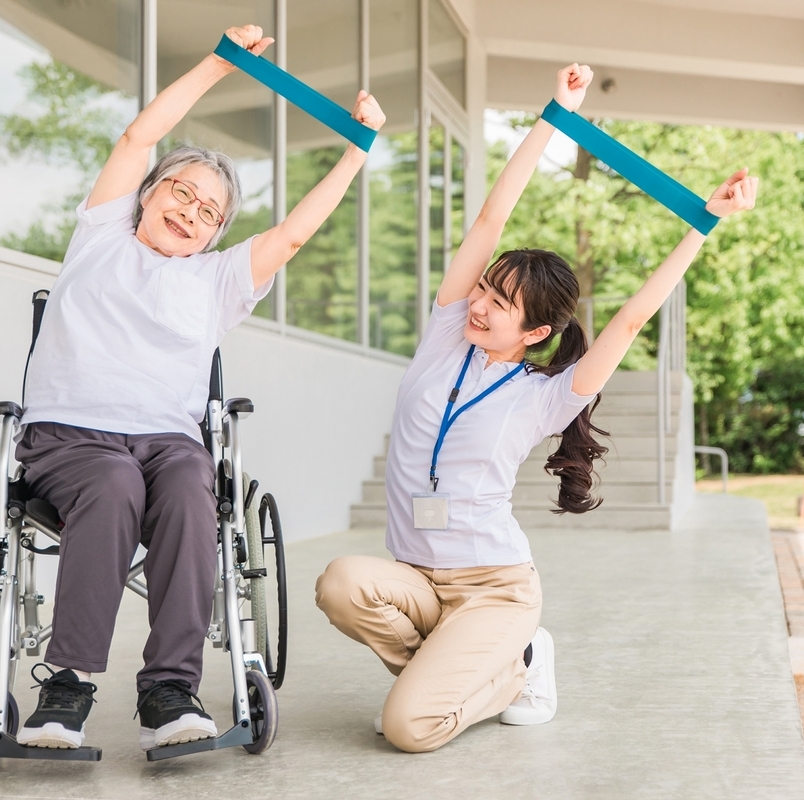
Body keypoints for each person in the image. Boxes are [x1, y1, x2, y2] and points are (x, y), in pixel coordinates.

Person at [314, 62, 757, 754]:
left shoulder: (544, 397)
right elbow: (493, 215)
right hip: (416, 579)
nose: (481, 304)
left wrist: (704, 222)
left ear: (537, 334)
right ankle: (462, 669)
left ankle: (516, 665)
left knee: (407, 729)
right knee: (341, 582)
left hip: (492, 589)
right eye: (485, 289)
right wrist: (554, 115)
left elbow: (634, 318)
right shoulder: (444, 339)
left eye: (501, 303)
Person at [12, 25, 385, 751]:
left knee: (190, 485)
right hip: (70, 437)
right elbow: (136, 135)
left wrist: (357, 150)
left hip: (169, 442)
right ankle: (67, 688)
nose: (188, 210)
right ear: (147, 195)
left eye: (208, 210)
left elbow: (295, 235)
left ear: (216, 234)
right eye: (179, 191)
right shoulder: (101, 236)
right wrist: (219, 64)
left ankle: (170, 691)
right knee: (114, 481)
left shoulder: (216, 282)